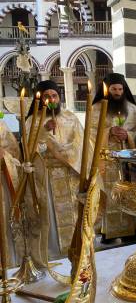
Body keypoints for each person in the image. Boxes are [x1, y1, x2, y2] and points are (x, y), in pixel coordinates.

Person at [26, 80, 84, 260]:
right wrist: (43, 131)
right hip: (47, 177)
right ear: (40, 100)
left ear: (59, 97)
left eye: (54, 96)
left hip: (69, 173)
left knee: (73, 214)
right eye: (46, 96)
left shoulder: (70, 117)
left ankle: (75, 252)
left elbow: (81, 143)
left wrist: (65, 152)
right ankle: (51, 254)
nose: (51, 99)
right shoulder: (32, 120)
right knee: (49, 216)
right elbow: (28, 150)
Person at [92, 73, 136, 243]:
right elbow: (90, 134)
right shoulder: (97, 109)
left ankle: (131, 230)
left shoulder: (132, 109)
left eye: (120, 89)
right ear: (107, 90)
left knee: (128, 193)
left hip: (126, 162)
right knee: (109, 194)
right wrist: (109, 132)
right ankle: (109, 232)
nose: (117, 92)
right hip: (106, 162)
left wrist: (127, 135)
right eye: (113, 89)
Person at [0, 119, 21, 266]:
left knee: (7, 220)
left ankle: (8, 262)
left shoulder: (1, 125)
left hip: (2, 181)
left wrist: (5, 155)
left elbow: (15, 153)